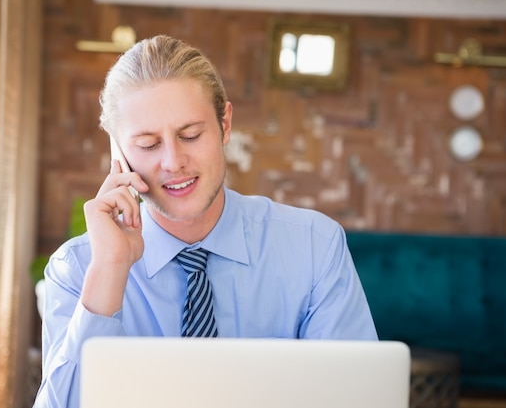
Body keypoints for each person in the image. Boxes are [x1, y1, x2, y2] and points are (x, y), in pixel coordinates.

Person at [33, 35, 378, 407]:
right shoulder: (77, 270)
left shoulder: (314, 247)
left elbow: (357, 399)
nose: (173, 161)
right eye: (148, 145)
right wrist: (109, 272)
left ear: (225, 125)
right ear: (118, 152)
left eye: (191, 135)